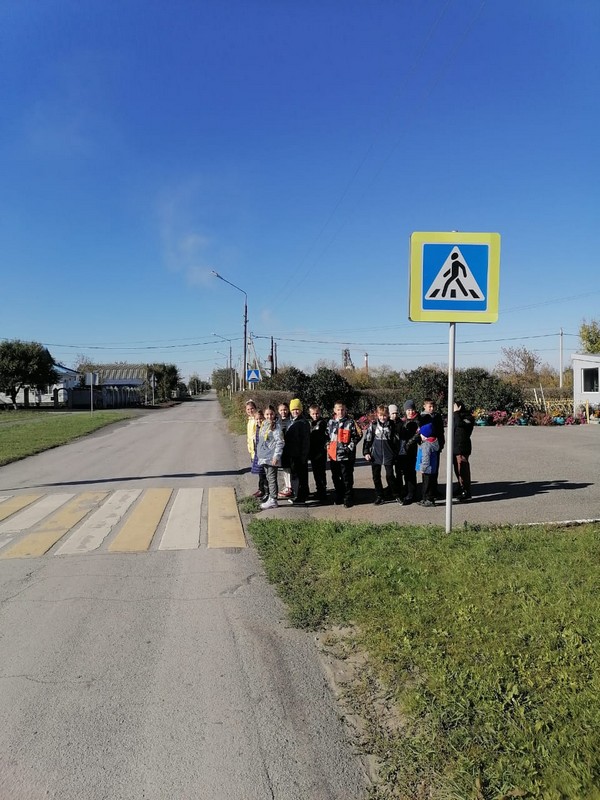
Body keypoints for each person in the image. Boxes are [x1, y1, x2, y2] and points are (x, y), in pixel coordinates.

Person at [327, 401, 363, 508]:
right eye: (338, 410)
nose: (340, 412)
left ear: (345, 410)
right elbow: (326, 436)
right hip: (333, 456)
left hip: (346, 456)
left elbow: (357, 435)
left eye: (342, 409)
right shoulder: (330, 422)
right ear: (334, 410)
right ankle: (339, 495)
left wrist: (349, 448)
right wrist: (327, 445)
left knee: (346, 478)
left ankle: (348, 497)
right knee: (335, 477)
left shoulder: (350, 422)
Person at [363, 405, 400, 504]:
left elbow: (396, 441)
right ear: (377, 415)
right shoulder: (373, 425)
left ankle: (396, 494)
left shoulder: (392, 425)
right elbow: (367, 439)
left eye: (384, 415)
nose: (382, 418)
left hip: (389, 454)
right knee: (376, 476)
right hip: (376, 454)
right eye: (380, 415)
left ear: (388, 415)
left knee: (390, 476)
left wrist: (396, 453)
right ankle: (380, 495)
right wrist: (366, 452)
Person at [283, 398, 311, 505]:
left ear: (301, 410)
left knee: (300, 476)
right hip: (293, 453)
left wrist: (304, 455)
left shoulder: (303, 422)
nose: (295, 411)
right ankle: (303, 493)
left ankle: (301, 497)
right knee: (298, 475)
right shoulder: (291, 421)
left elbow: (305, 441)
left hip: (299, 454)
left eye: (297, 409)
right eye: (293, 409)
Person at [257, 405, 284, 510]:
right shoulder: (264, 424)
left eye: (271, 414)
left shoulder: (276, 426)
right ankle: (271, 497)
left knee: (272, 478)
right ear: (264, 415)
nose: (269, 416)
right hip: (264, 456)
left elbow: (280, 442)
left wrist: (276, 456)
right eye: (267, 414)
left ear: (275, 414)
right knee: (268, 478)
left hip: (272, 457)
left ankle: (273, 500)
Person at [420, 398, 445, 494]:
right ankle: (426, 491)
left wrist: (441, 443)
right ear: (424, 406)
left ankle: (434, 489)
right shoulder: (422, 417)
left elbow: (441, 431)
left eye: (433, 406)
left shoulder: (437, 416)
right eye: (429, 406)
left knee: (435, 468)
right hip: (426, 446)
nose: (432, 408)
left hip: (436, 445)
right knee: (426, 468)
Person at [397, 399, 420, 504]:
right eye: (408, 410)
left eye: (412, 409)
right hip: (402, 451)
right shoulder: (403, 421)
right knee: (405, 472)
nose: (410, 412)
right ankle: (405, 490)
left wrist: (408, 444)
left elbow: (417, 435)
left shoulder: (417, 421)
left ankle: (411, 493)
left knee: (411, 472)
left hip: (411, 450)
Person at [453, 399, 475, 501]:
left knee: (463, 468)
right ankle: (460, 487)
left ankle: (466, 491)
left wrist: (456, 413)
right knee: (457, 469)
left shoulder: (468, 417)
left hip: (463, 446)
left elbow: (460, 424)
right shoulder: (455, 417)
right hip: (455, 446)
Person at [415, 422, 439, 507]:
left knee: (427, 485)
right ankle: (426, 498)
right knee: (430, 484)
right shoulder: (434, 442)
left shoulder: (426, 445)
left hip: (427, 468)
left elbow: (426, 457)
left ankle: (428, 499)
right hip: (432, 468)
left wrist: (423, 468)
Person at [308, 403, 328, 504]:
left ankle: (322, 491)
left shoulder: (323, 423)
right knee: (316, 472)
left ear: (320, 413)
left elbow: (326, 435)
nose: (315, 415)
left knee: (321, 472)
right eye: (313, 414)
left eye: (317, 413)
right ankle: (319, 489)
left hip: (321, 451)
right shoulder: (310, 423)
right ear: (310, 414)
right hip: (313, 451)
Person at [250, 408, 268, 500]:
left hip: (265, 456)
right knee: (261, 474)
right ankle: (261, 489)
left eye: (260, 419)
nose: (259, 421)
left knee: (266, 475)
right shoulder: (257, 428)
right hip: (258, 455)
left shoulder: (265, 428)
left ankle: (267, 492)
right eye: (257, 419)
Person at [277, 402, 293, 499]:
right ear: (278, 411)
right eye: (281, 410)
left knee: (289, 469)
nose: (283, 412)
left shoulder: (291, 421)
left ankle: (290, 487)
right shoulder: (278, 421)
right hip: (281, 449)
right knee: (285, 468)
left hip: (289, 448)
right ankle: (287, 486)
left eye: (285, 409)